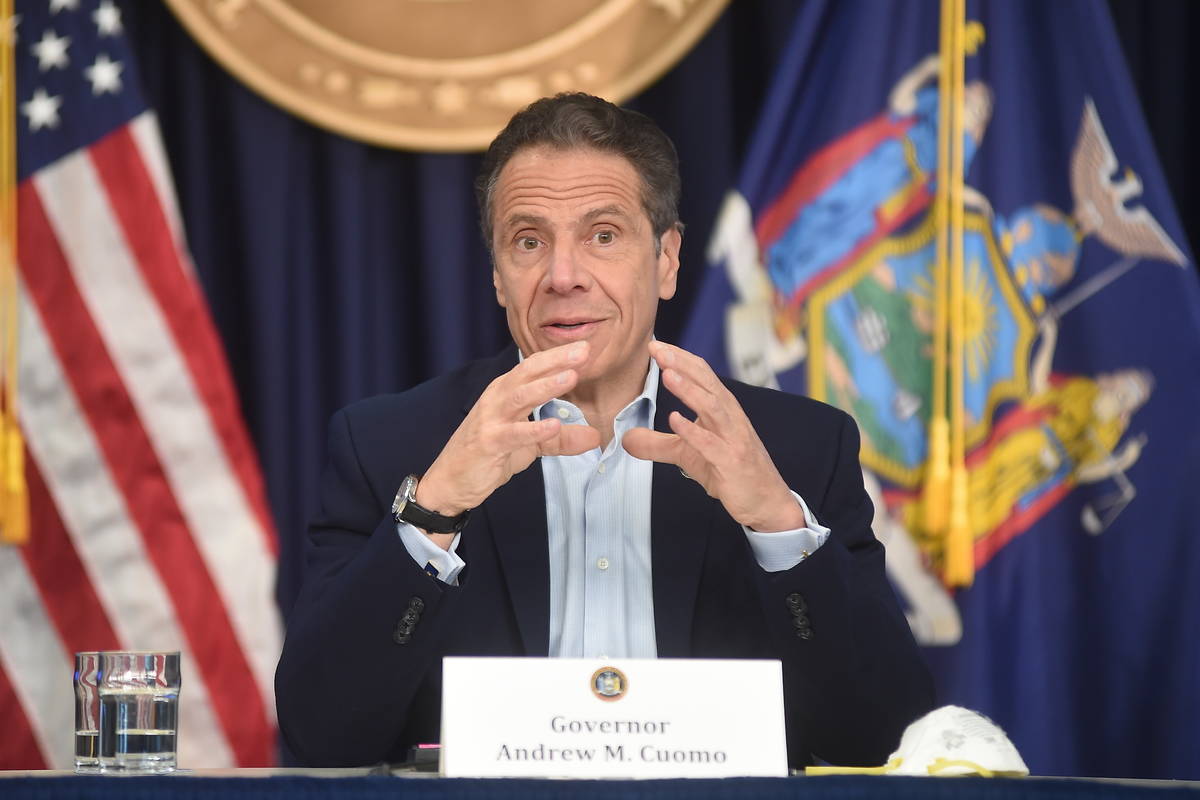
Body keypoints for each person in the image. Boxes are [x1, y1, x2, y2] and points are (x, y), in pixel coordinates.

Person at [275, 93, 935, 769]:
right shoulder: (391, 446)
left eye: (603, 236)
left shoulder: (799, 450)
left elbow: (884, 740)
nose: (563, 277)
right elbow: (320, 735)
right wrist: (431, 513)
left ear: (668, 259)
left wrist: (775, 522)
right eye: (529, 241)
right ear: (499, 276)